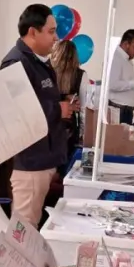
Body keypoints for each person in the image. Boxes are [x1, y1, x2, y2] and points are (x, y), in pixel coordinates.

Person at [0, 4, 78, 226]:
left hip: (44, 157)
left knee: (31, 226)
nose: (56, 38)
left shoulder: (38, 63)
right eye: (51, 31)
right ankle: (14, 263)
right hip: (30, 161)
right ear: (33, 32)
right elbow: (13, 112)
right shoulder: (16, 64)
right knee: (24, 229)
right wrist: (57, 109)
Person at [51, 39, 87, 174]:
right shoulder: (80, 75)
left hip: (50, 123)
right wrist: (83, 133)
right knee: (66, 166)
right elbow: (84, 108)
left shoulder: (48, 73)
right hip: (69, 127)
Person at [106, 28, 134, 124]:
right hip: (118, 110)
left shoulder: (126, 60)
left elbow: (128, 87)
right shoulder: (115, 58)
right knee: (116, 139)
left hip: (125, 110)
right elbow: (112, 84)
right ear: (126, 44)